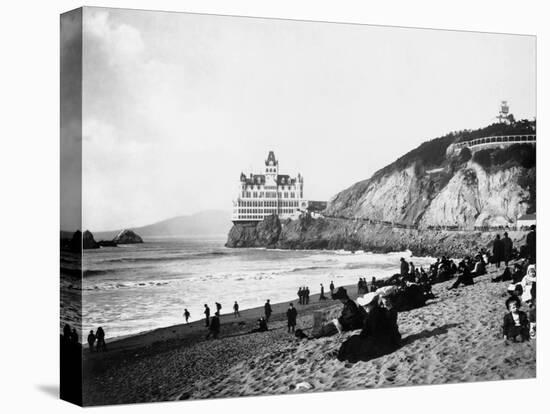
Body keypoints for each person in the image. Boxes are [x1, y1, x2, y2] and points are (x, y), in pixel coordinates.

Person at [337, 292, 401, 363]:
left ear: (369, 305)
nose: (364, 308)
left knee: (353, 341)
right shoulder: (385, 311)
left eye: (365, 306)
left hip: (381, 345)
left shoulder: (371, 316)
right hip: (393, 341)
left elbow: (365, 334)